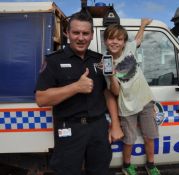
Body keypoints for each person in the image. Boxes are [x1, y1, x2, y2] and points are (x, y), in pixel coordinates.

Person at [35, 12, 123, 175]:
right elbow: (41, 98)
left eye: (85, 33)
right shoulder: (54, 61)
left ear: (91, 36)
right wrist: (76, 87)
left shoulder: (100, 60)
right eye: (76, 33)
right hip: (69, 128)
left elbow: (108, 93)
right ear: (67, 33)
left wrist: (115, 125)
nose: (81, 38)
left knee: (100, 170)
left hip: (98, 128)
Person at [104, 19, 160, 175]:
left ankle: (151, 164)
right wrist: (112, 76)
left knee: (150, 136)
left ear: (123, 42)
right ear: (105, 41)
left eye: (119, 39)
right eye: (111, 38)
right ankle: (127, 165)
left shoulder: (130, 48)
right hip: (126, 106)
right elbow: (114, 92)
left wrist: (143, 25)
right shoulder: (106, 63)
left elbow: (138, 39)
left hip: (146, 101)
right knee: (129, 139)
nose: (115, 42)